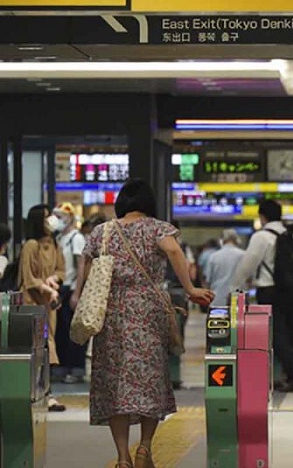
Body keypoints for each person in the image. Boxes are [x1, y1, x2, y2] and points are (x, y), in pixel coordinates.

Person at [74, 178, 214, 468]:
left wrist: (78, 295)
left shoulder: (102, 231)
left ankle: (123, 456)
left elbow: (85, 265)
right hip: (147, 308)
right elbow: (174, 251)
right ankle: (145, 449)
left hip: (110, 311)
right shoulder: (156, 227)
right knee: (150, 378)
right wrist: (190, 289)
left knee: (114, 383)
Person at [231, 200, 293, 393]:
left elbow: (247, 265)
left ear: (262, 216)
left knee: (276, 335)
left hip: (271, 291)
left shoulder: (261, 237)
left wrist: (235, 288)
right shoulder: (292, 237)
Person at [21, 204, 66, 412]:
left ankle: (47, 392)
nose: (52, 220)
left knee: (48, 347)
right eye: (47, 217)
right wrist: (47, 288)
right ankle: (41, 393)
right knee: (38, 348)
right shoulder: (30, 245)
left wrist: (53, 280)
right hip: (33, 304)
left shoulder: (54, 244)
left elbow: (61, 270)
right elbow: (29, 279)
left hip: (48, 305)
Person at [52, 202, 88, 384]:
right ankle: (62, 366)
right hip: (60, 289)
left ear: (70, 217)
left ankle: (76, 368)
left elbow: (80, 266)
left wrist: (77, 293)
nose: (57, 220)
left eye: (60, 216)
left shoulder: (77, 238)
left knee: (73, 331)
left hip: (71, 289)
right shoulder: (59, 238)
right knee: (60, 331)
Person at [205, 228, 245, 306]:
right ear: (236, 239)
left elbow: (207, 280)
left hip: (216, 299)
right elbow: (249, 279)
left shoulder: (213, 256)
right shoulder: (243, 255)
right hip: (238, 300)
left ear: (222, 240)